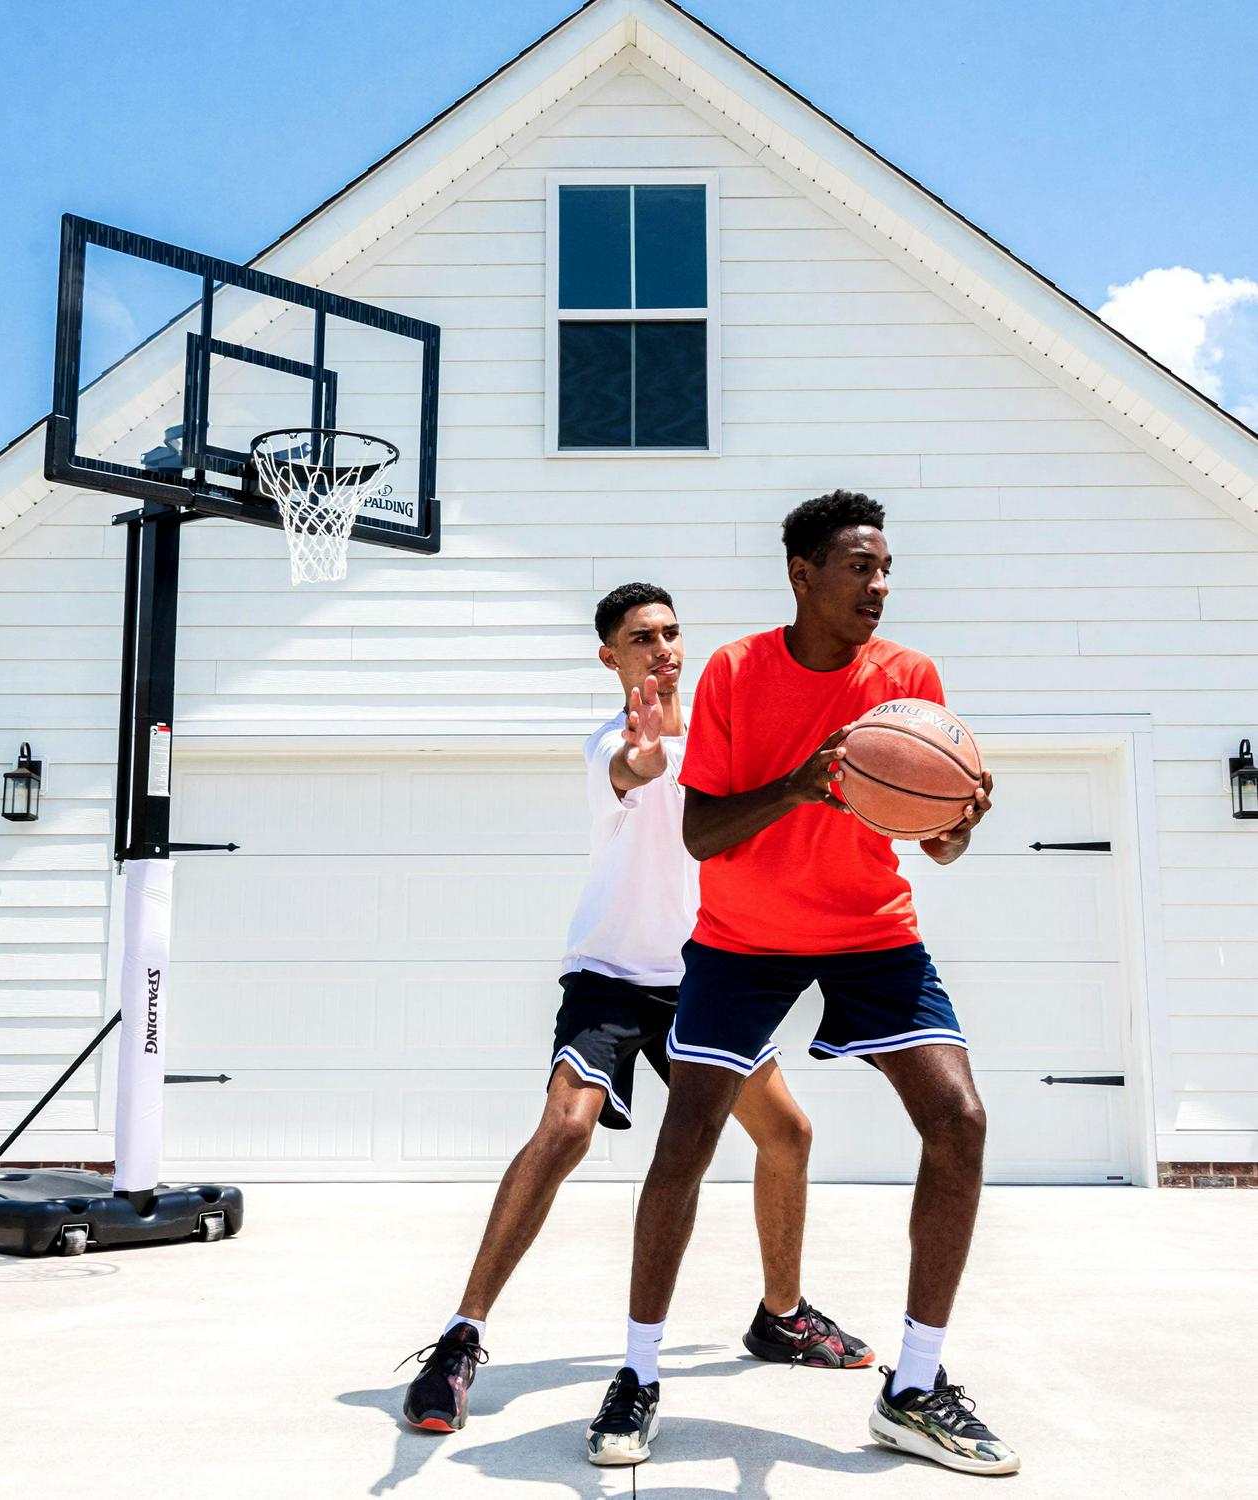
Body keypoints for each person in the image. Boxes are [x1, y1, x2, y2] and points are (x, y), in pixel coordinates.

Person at [588, 494, 1018, 1476]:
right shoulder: (738, 671)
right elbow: (701, 835)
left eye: (886, 569)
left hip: (871, 931)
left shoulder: (909, 677)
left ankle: (914, 1388)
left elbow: (935, 845)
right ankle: (639, 1374)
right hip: (744, 937)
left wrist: (957, 822)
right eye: (860, 567)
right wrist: (797, 784)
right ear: (803, 574)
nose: (879, 586)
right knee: (687, 1137)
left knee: (959, 1121)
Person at [398, 582, 871, 1449]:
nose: (663, 648)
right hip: (611, 976)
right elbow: (635, 768)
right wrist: (645, 759)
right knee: (565, 1131)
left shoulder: (725, 744)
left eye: (671, 632)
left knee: (789, 1135)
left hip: (704, 976)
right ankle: (462, 1337)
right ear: (609, 656)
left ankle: (782, 1317)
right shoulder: (610, 745)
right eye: (641, 637)